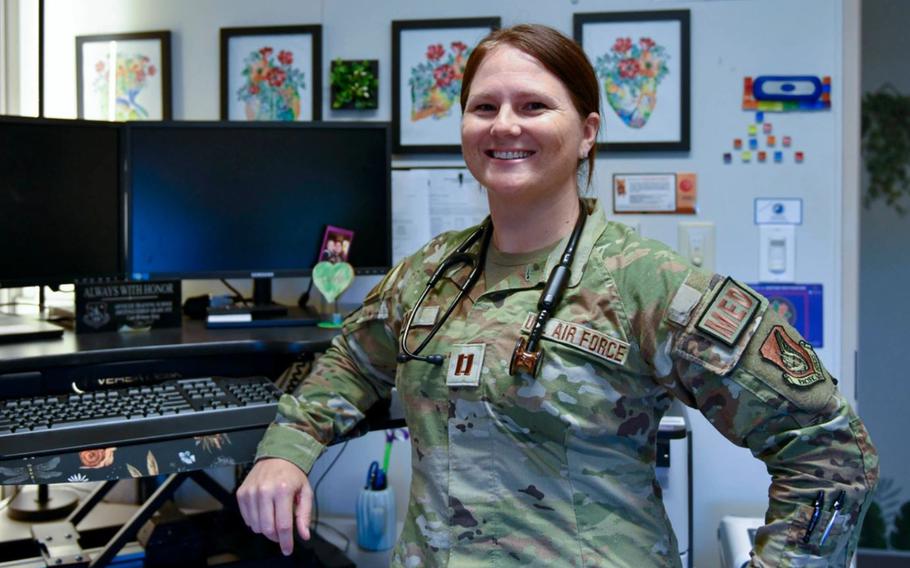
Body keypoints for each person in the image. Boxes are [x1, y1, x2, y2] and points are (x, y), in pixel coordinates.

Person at [237, 24, 878, 567]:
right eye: (484, 107)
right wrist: (287, 452)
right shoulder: (430, 272)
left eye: (534, 106)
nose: (504, 125)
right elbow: (350, 363)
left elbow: (828, 446)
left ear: (587, 132)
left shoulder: (646, 283)